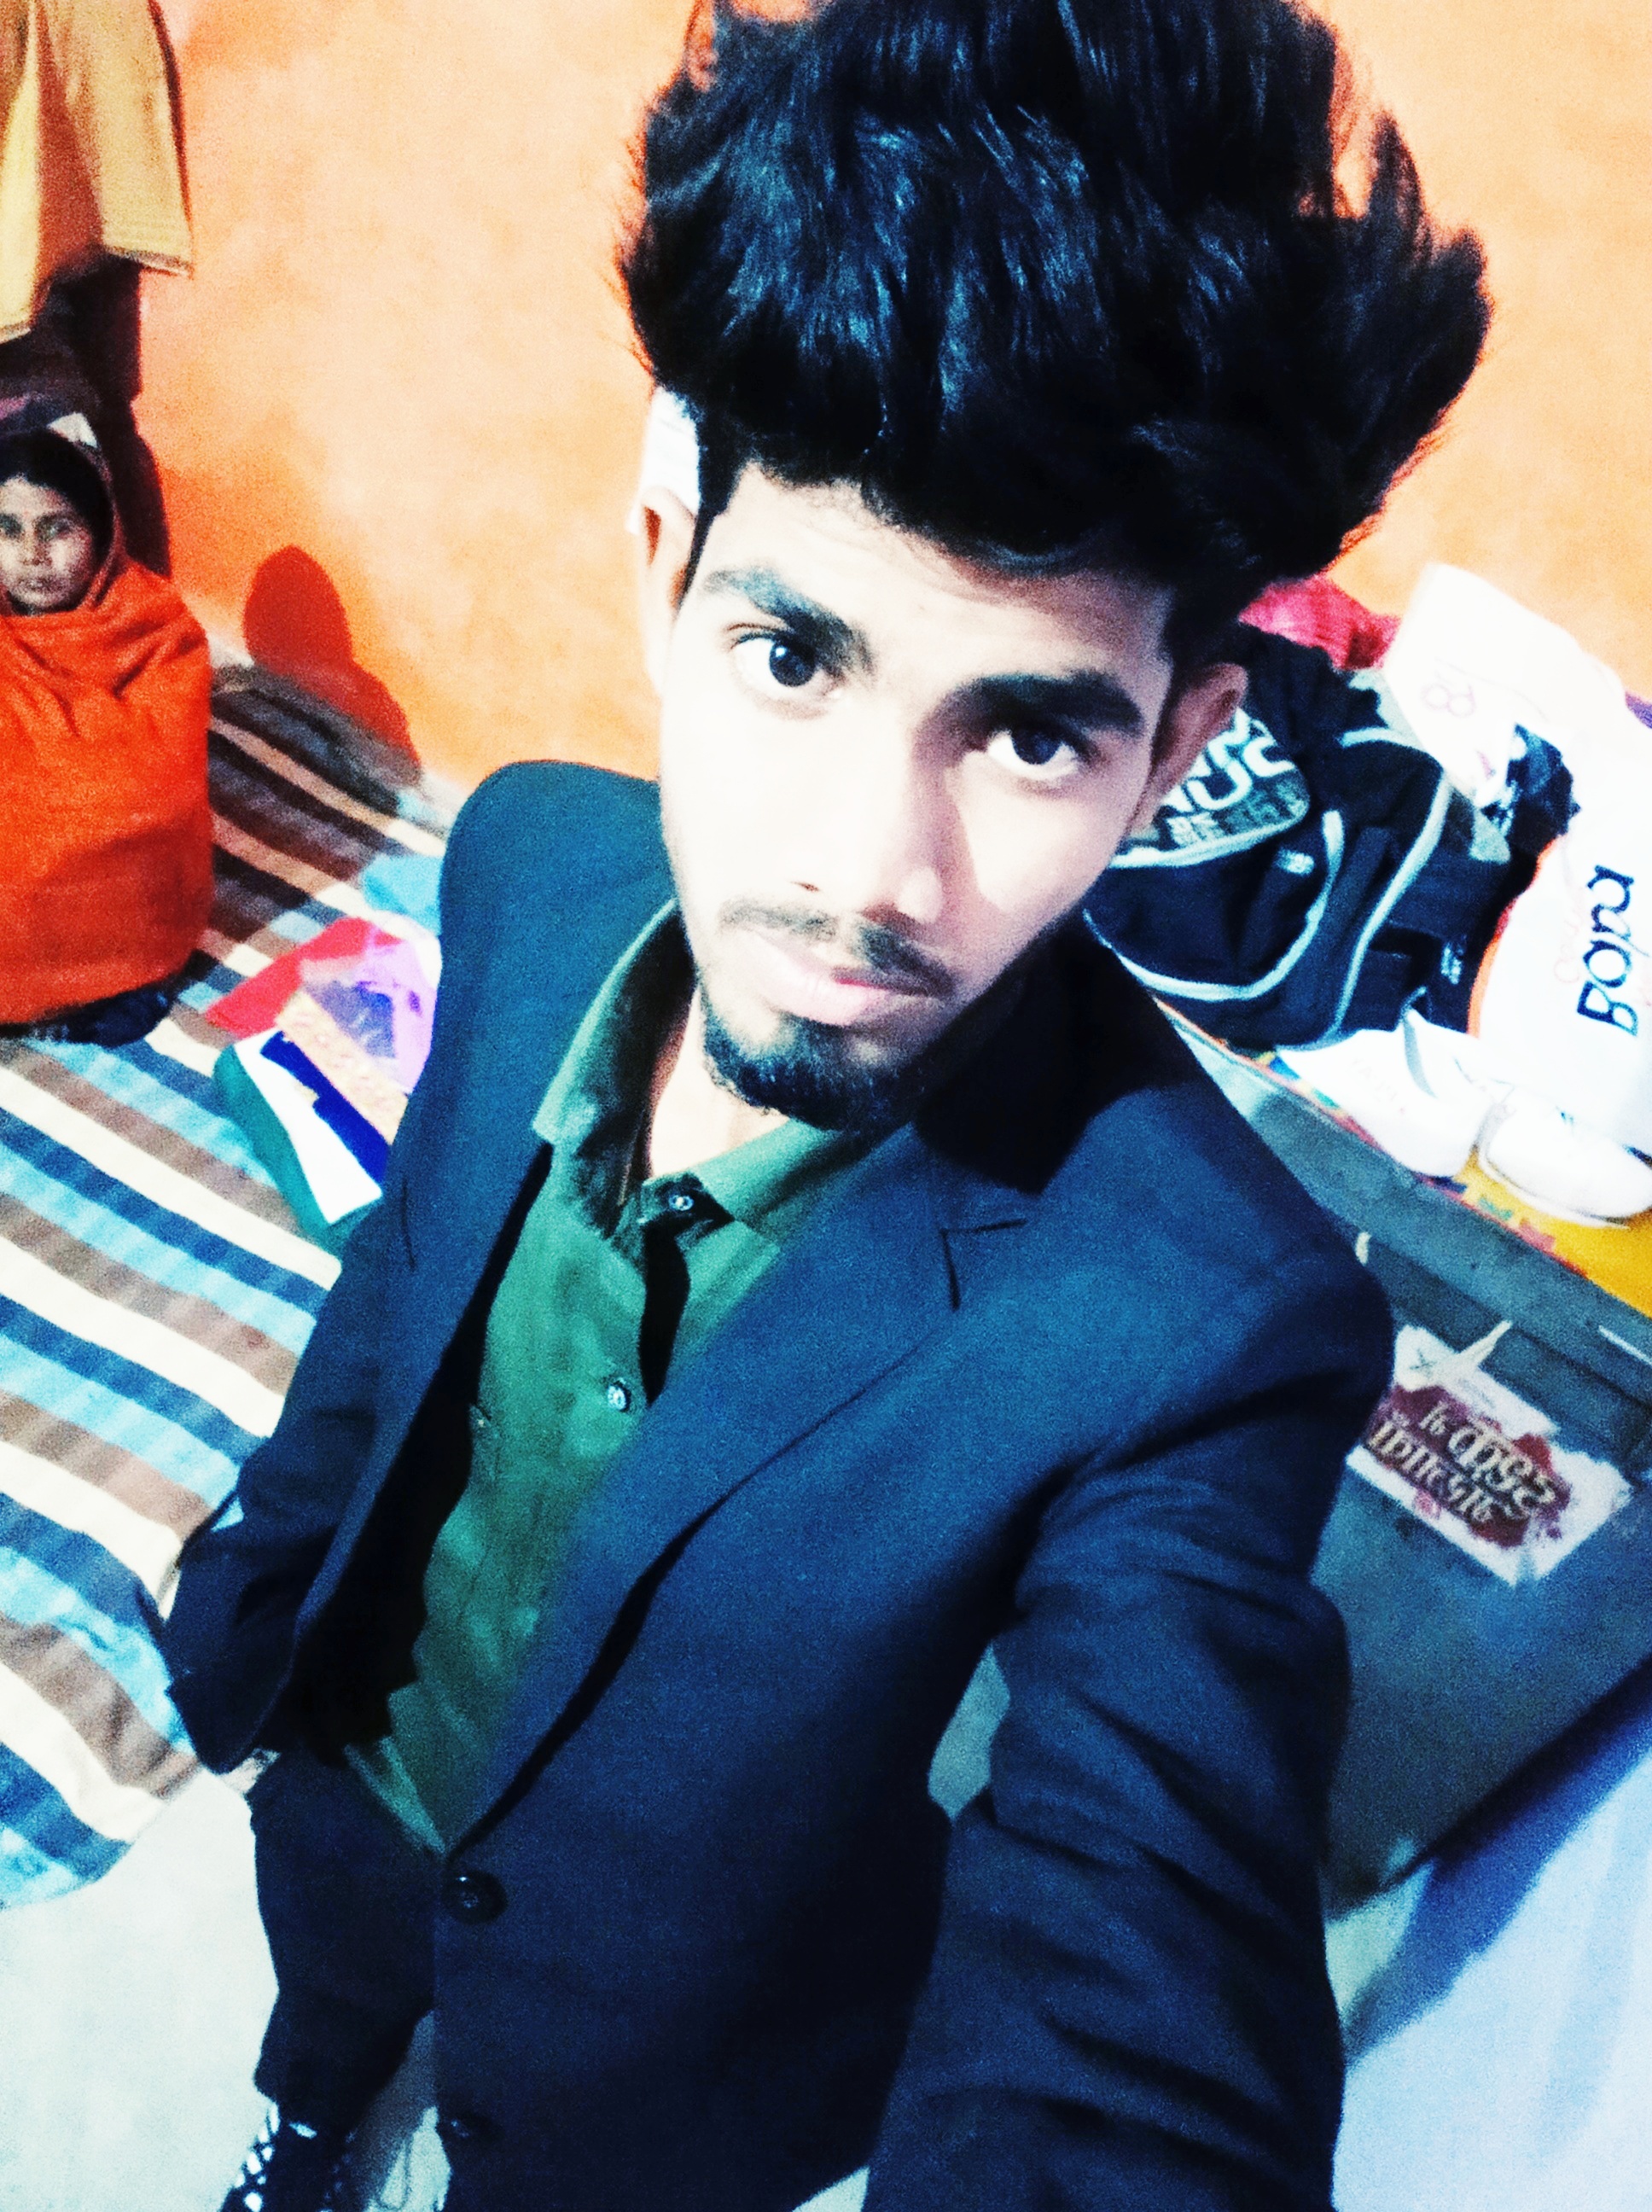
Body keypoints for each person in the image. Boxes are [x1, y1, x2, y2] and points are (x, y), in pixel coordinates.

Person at [160, 2, 1488, 2206]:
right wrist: (263, 1567)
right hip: (341, 1770)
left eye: (1032, 735)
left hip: (665, 2063)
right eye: (794, 659)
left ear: (1175, 751)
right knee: (324, 2030)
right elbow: (403, 1267)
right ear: (664, 567)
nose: (871, 877)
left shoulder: (1207, 1320)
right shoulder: (534, 863)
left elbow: (1145, 1961)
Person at [0, 411, 212, 1045]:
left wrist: (54, 791)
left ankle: (98, 976)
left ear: (101, 531)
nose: (32, 556)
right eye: (7, 530)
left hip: (122, 895)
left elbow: (155, 790)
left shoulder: (156, 628)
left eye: (57, 528)